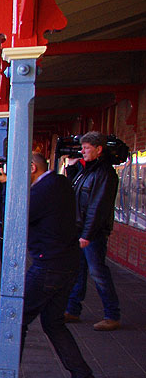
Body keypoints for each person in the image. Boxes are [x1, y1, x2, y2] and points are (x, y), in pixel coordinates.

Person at [0, 153, 99, 378]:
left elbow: (11, 218)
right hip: (65, 262)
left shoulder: (45, 189)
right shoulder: (60, 183)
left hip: (50, 266)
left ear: (31, 167)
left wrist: (3, 185)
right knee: (53, 322)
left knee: (15, 316)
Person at [65, 131, 120, 331]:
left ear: (99, 149)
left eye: (87, 148)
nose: (83, 151)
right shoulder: (86, 170)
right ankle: (72, 310)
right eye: (82, 147)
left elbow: (98, 207)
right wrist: (71, 168)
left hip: (92, 233)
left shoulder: (104, 173)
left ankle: (112, 315)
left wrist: (87, 235)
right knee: (77, 271)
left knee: (98, 272)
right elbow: (74, 192)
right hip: (81, 230)